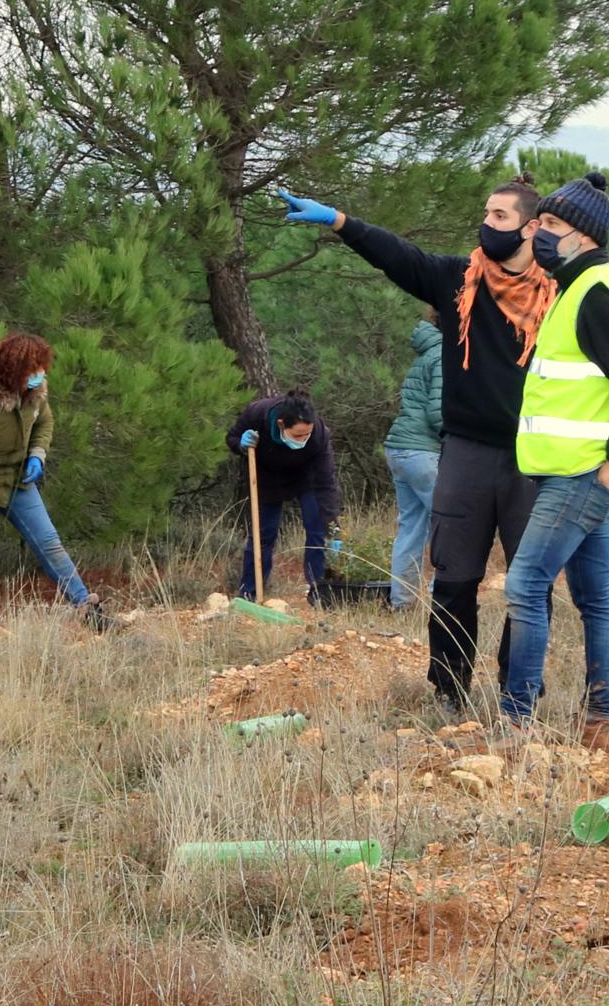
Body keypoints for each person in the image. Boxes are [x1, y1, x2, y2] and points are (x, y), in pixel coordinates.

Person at [277, 178, 555, 711]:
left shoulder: (559, 294)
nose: (487, 224)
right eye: (486, 213)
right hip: (466, 454)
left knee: (530, 585)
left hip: (534, 458)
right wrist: (338, 220)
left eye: (499, 216)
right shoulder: (458, 281)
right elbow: (397, 256)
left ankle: (518, 691)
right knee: (454, 579)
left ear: (531, 227)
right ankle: (449, 691)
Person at [503, 173, 609, 751]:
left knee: (524, 585)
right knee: (593, 594)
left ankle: (516, 720)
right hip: (571, 471)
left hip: (582, 474)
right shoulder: (578, 286)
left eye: (549, 226)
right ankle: (597, 721)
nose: (537, 234)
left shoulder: (595, 292)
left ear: (583, 236)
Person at [0, 334, 107, 626]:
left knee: (49, 543)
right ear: (12, 371)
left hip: (16, 480)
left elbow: (45, 422)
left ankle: (86, 609)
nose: (40, 376)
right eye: (32, 371)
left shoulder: (34, 392)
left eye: (41, 368)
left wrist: (37, 456)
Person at [229, 393, 342, 605]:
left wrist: (333, 527)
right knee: (263, 535)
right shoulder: (257, 414)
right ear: (281, 424)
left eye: (306, 434)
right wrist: (241, 445)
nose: (304, 439)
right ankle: (250, 593)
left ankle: (319, 592)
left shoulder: (319, 435)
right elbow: (232, 437)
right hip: (267, 477)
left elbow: (326, 484)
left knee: (317, 528)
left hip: (306, 477)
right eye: (298, 435)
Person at [381, 319, 443, 611]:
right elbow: (438, 412)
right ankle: (443, 598)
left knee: (411, 528)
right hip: (423, 452)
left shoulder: (423, 356)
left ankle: (402, 603)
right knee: (452, 523)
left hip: (399, 450)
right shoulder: (444, 354)